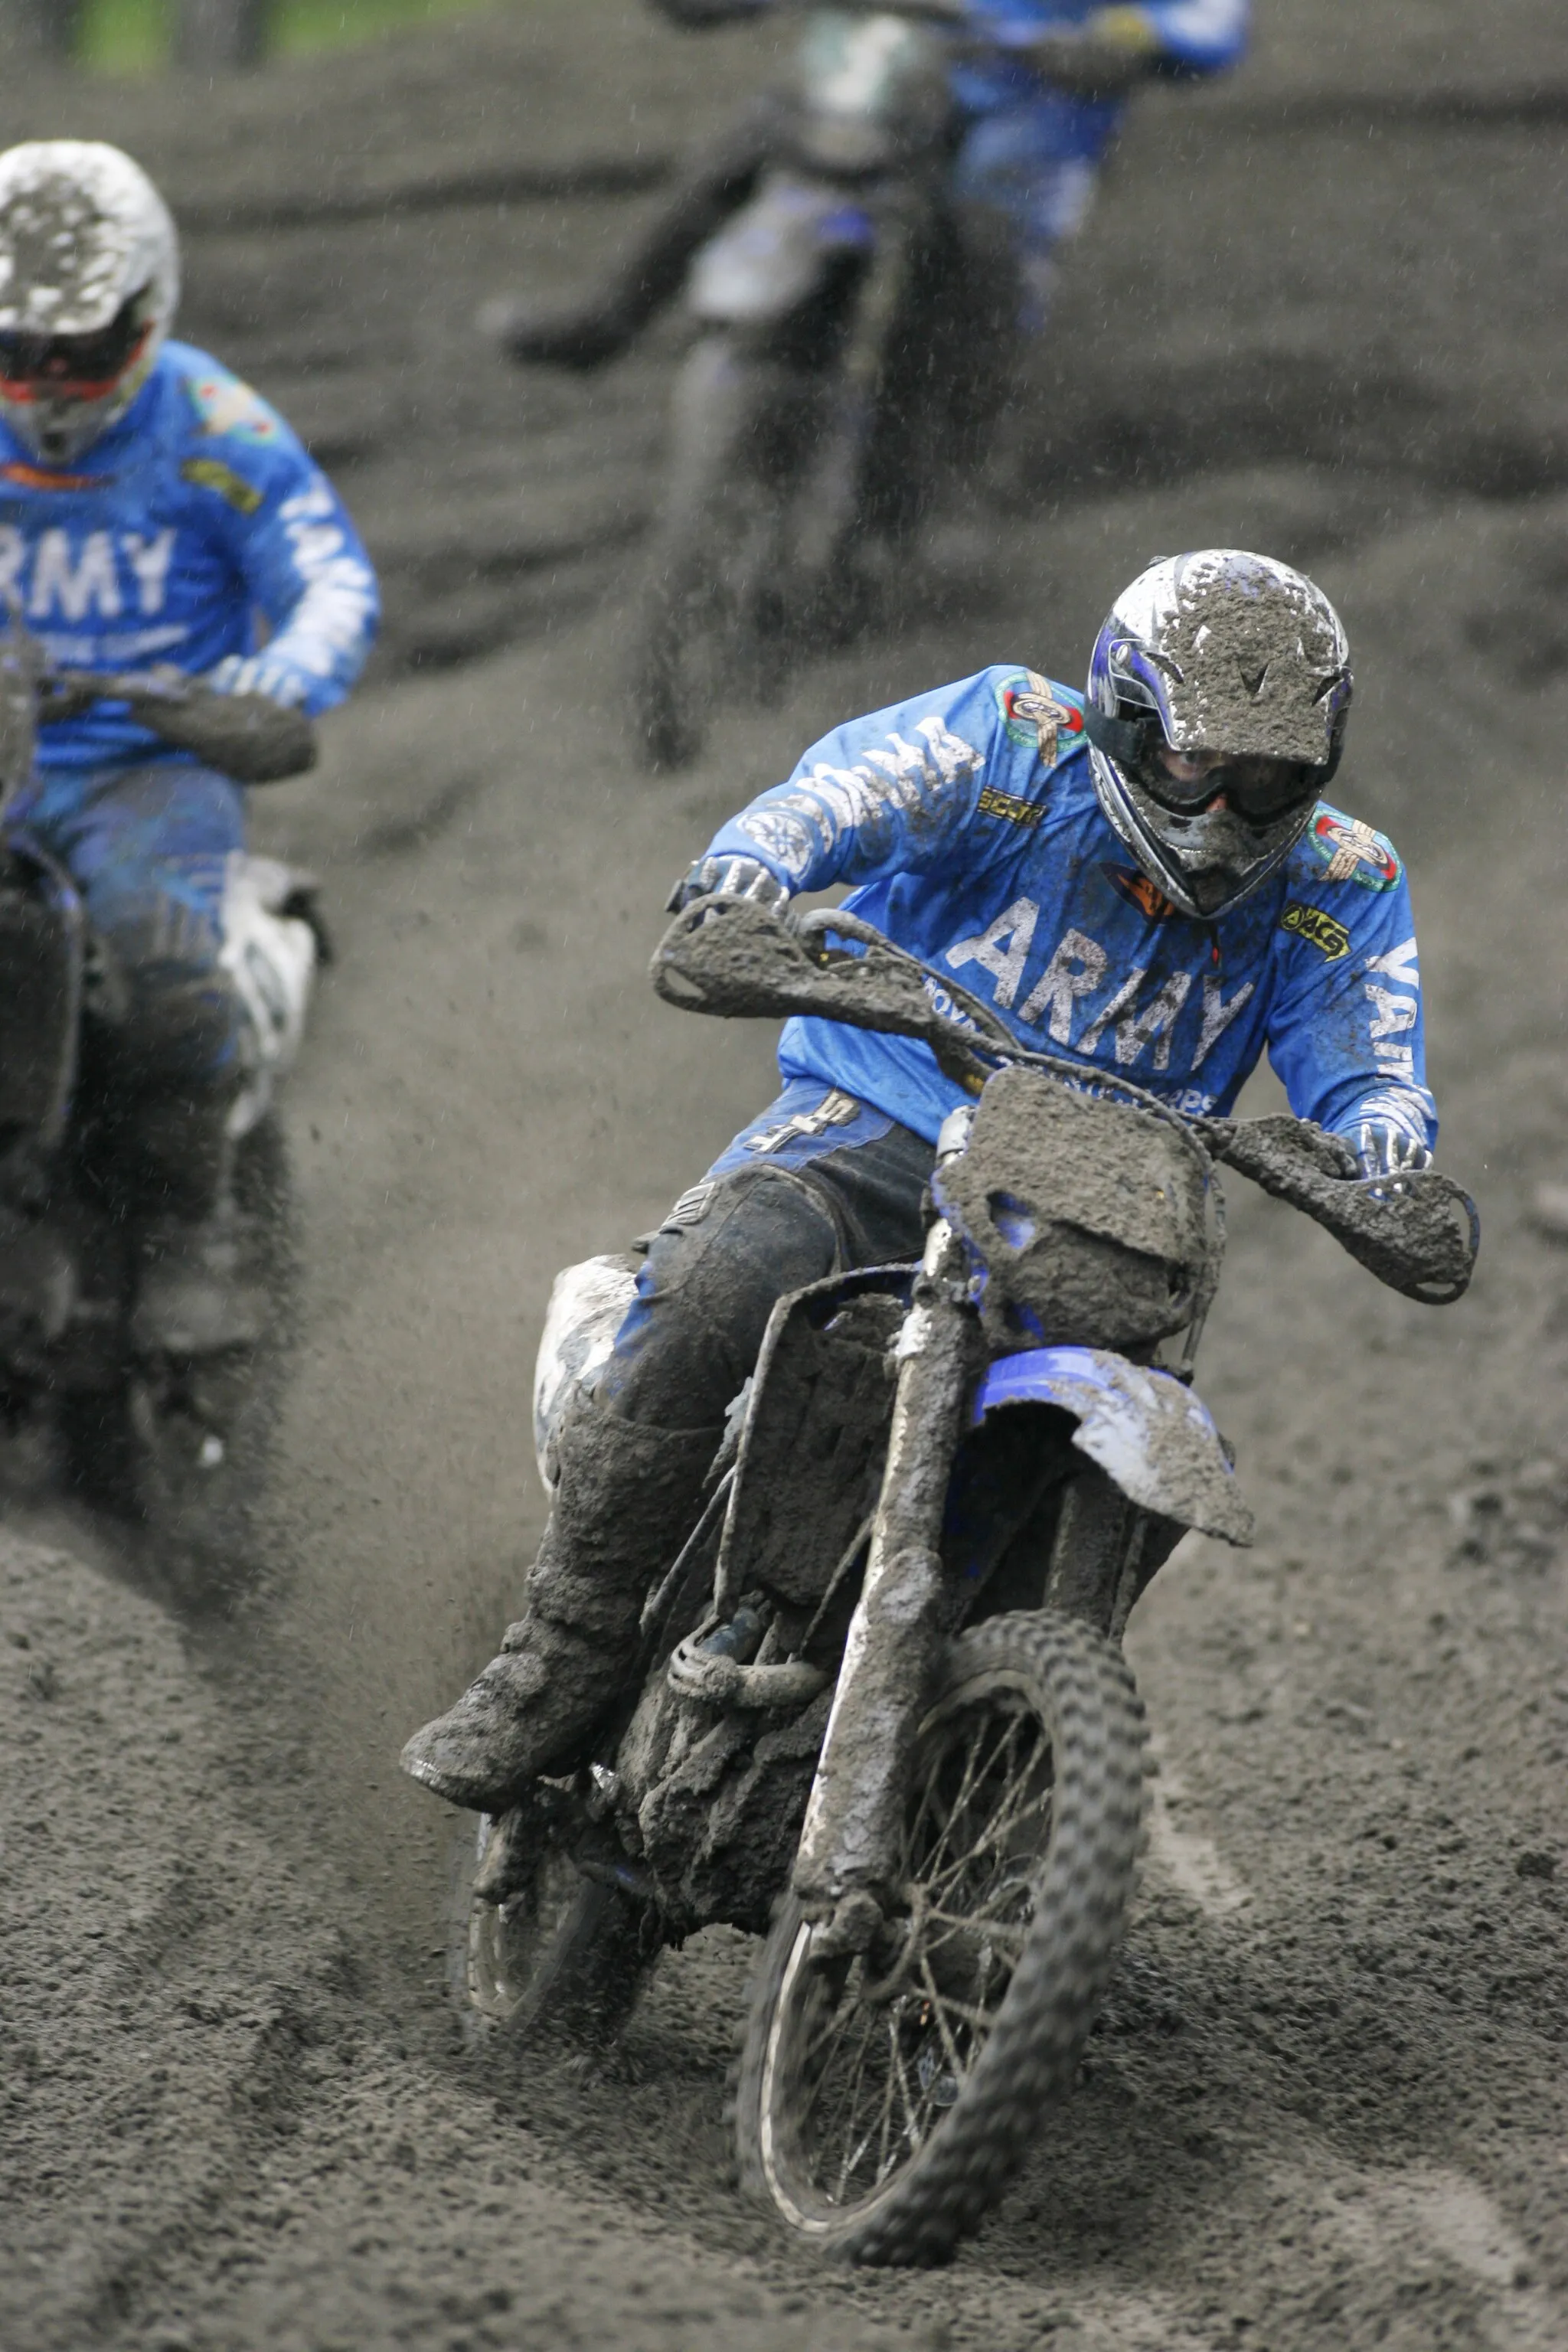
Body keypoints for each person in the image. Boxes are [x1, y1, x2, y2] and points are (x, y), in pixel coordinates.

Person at [403, 547, 1434, 1821]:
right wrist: (752, 871)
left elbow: (1368, 1056)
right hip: (880, 1120)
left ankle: (971, 1750)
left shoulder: (1339, 880)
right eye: (1194, 764)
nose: (1223, 810)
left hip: (1111, 1204)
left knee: (1150, 1447)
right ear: (1122, 719)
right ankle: (560, 1647)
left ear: (1316, 765)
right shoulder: (1008, 735)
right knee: (718, 1280)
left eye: (1266, 778)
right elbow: (848, 791)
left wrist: (1384, 1146)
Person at [0, 140, 378, 1346]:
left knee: (159, 956)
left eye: (83, 351)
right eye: (19, 352)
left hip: (146, 765)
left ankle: (186, 1232)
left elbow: (331, 580)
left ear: (150, 314)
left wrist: (272, 679)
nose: (51, 384)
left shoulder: (216, 426)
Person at [483, 0, 1250, 371]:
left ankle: (950, 486)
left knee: (989, 257)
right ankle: (608, 321)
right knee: (760, 136)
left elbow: (1208, 21)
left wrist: (1140, 41)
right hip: (906, 54)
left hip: (1039, 98)